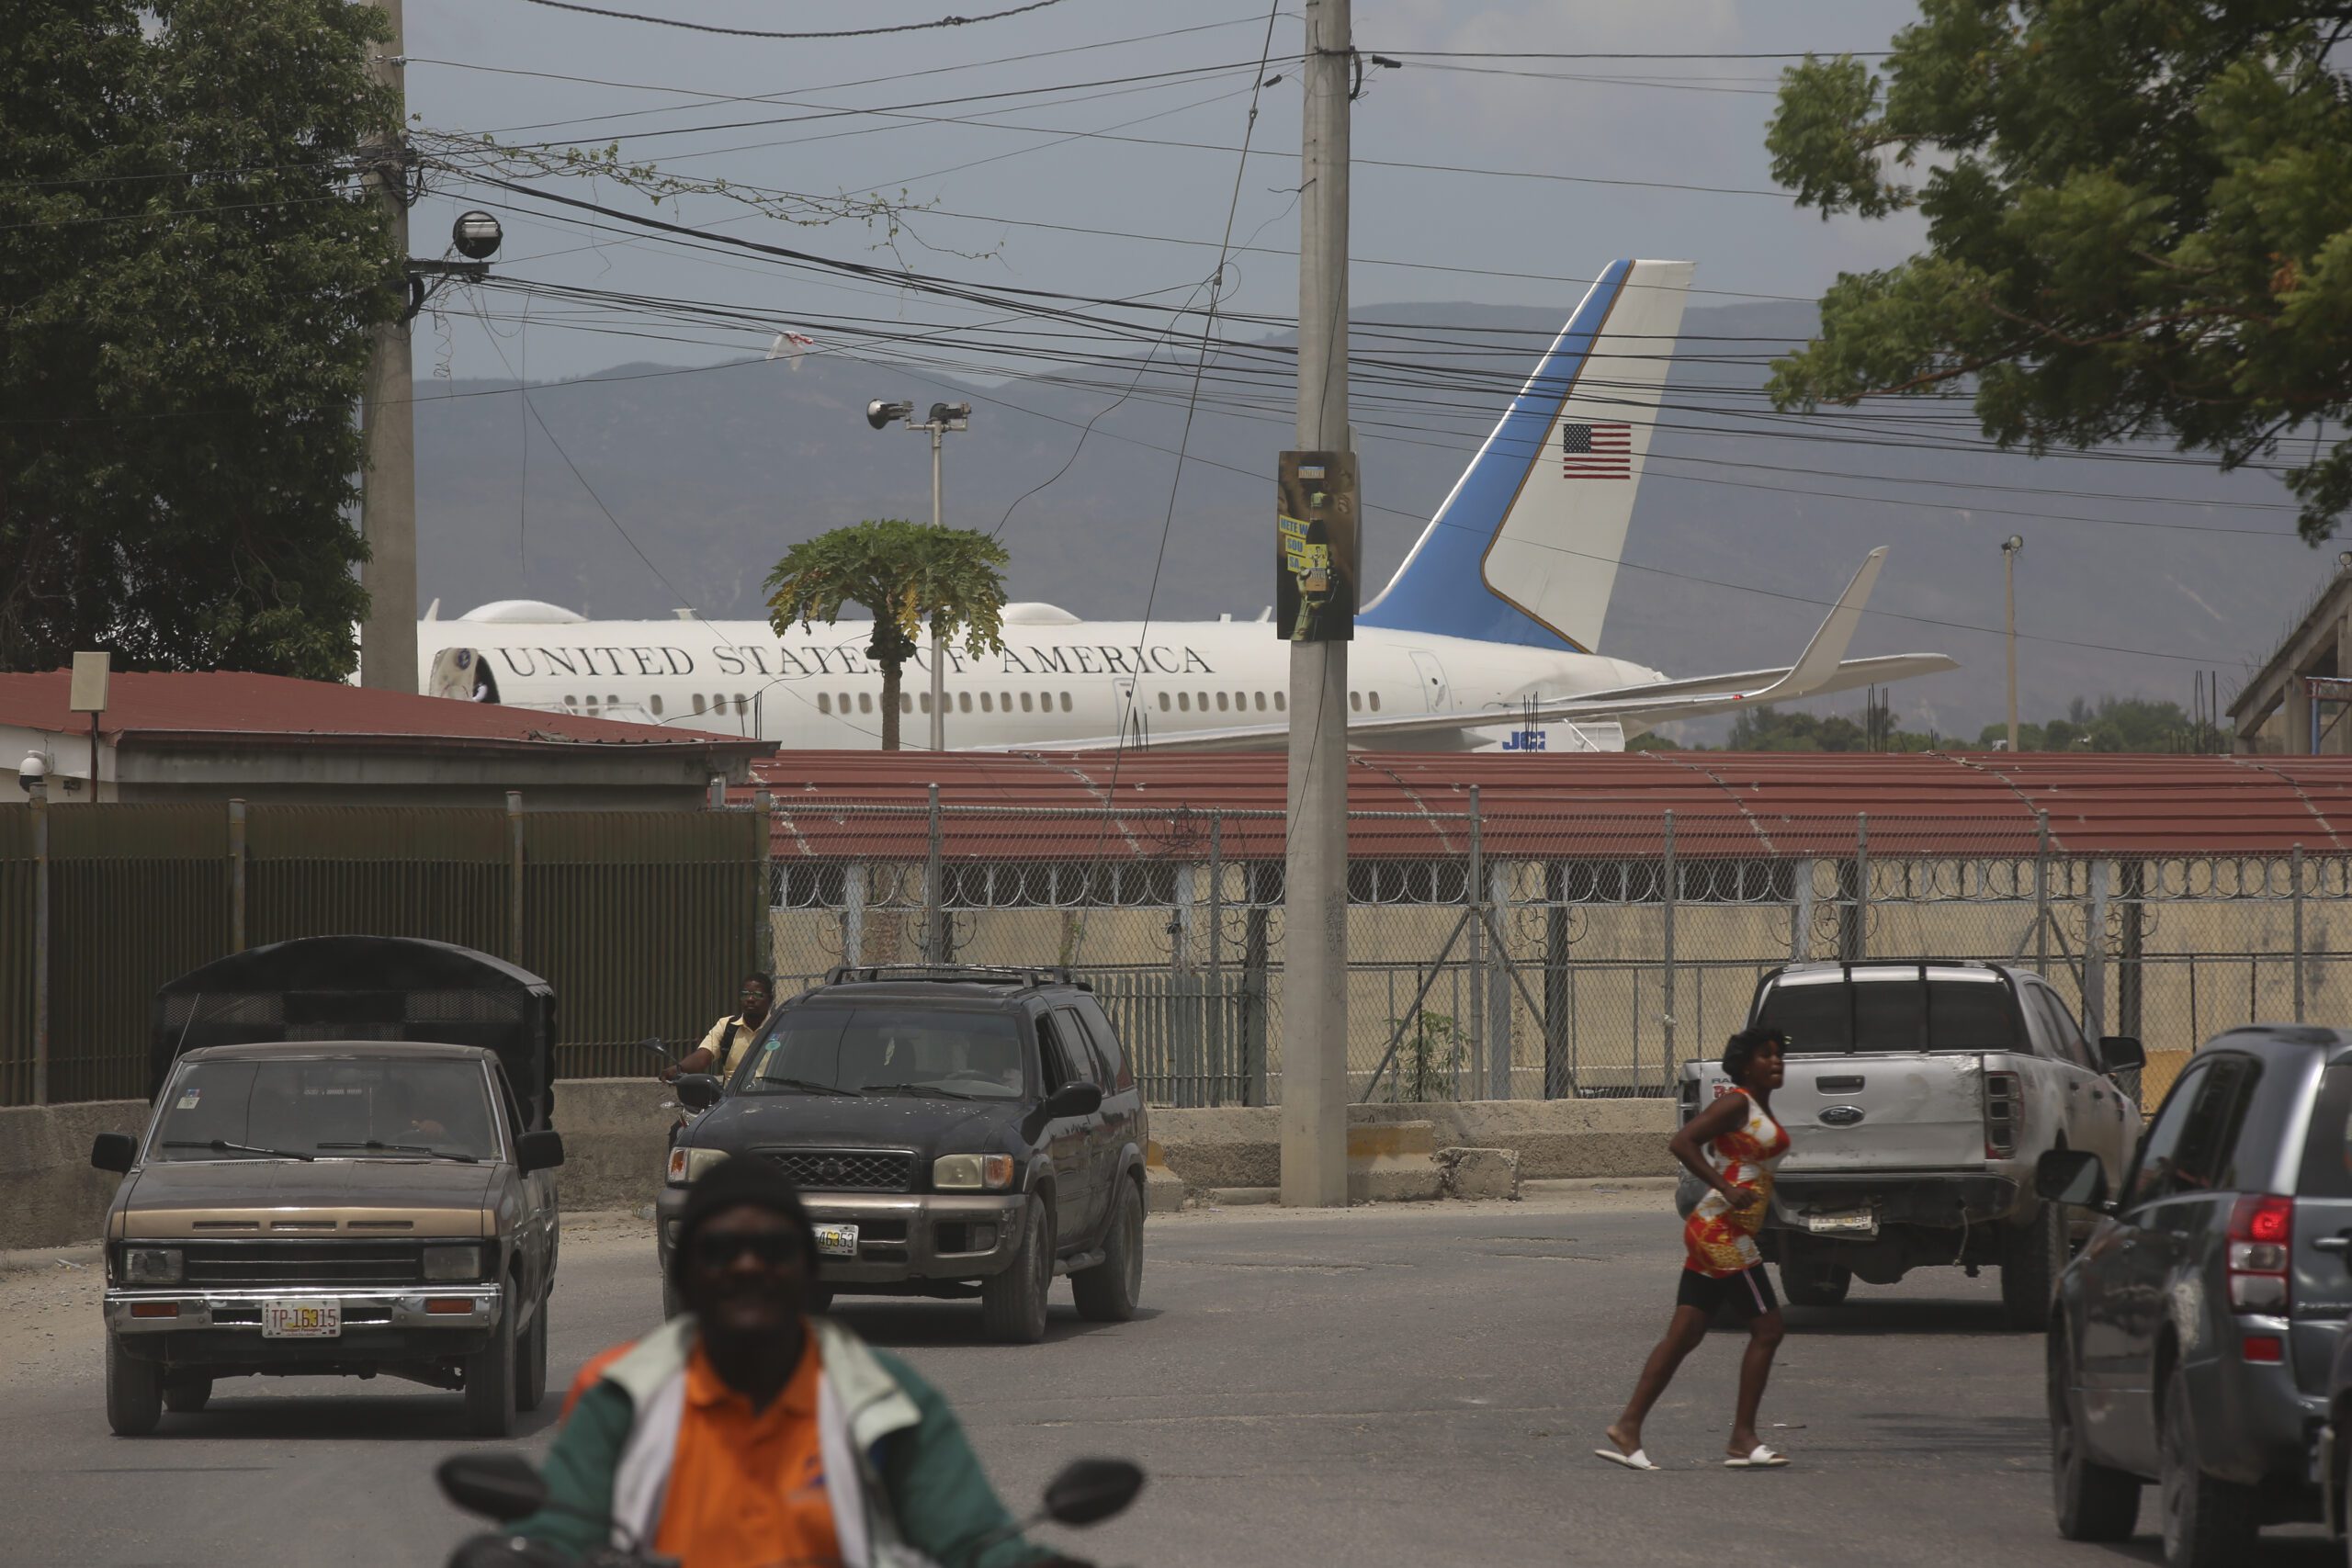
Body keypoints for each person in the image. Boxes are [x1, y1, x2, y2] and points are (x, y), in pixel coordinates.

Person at [512, 1157, 1078, 1568]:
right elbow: (564, 1529)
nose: (749, 1267)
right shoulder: (622, 1395)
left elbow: (971, 1537)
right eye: (722, 1251)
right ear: (685, 1275)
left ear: (809, 1271)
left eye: (774, 1250)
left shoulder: (880, 1398)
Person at [1599, 1027, 1794, 1472]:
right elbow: (1682, 1142)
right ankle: (1743, 1438)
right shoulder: (1737, 1102)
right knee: (1768, 1328)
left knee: (1685, 1334)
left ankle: (1628, 1427)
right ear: (1746, 1065)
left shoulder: (1760, 1106)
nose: (1777, 1061)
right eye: (1766, 1056)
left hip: (1722, 1230)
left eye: (1779, 1055)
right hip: (1720, 1232)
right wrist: (1726, 1187)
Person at [664, 973, 774, 1084]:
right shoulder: (726, 1025)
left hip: (770, 1096)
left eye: (758, 995)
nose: (750, 999)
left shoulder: (780, 1027)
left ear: (770, 999)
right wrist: (679, 1068)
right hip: (734, 1097)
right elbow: (703, 1056)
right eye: (745, 994)